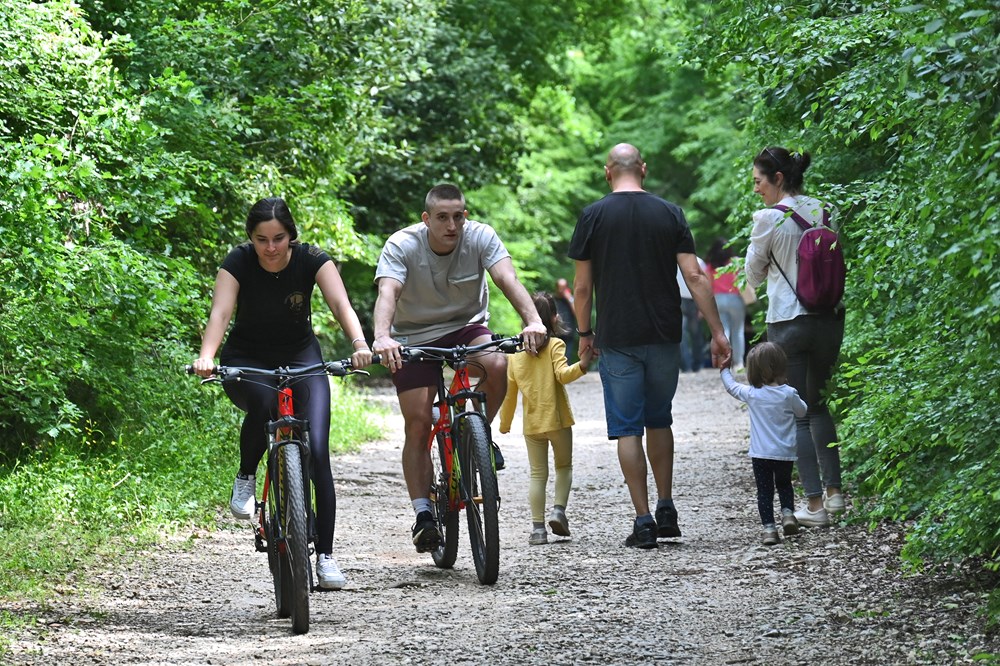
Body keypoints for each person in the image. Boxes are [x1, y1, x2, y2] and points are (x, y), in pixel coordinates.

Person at [191, 197, 373, 590]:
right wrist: (207, 356)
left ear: (291, 236)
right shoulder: (238, 261)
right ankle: (246, 475)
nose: (270, 248)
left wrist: (359, 343)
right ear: (250, 238)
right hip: (247, 358)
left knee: (319, 451)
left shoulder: (312, 259)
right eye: (261, 240)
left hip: (301, 356)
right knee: (263, 404)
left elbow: (340, 303)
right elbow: (221, 312)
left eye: (278, 239)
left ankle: (325, 557)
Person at [568, 143, 731, 549]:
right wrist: (718, 332)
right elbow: (695, 277)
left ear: (608, 172)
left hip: (618, 336)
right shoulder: (670, 213)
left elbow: (582, 287)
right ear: (643, 168)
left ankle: (643, 522)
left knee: (628, 428)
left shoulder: (592, 216)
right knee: (660, 419)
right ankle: (666, 507)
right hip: (663, 333)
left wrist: (584, 333)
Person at [371, 183, 548, 553]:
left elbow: (507, 279)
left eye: (458, 216)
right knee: (418, 422)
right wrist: (382, 336)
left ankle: (476, 435)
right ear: (426, 219)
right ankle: (423, 514)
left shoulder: (480, 237)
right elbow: (389, 291)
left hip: (466, 327)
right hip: (412, 336)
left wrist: (533, 320)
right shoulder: (402, 245)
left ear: (465, 216)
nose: (451, 225)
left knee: (496, 363)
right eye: (442, 217)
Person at [745, 146, 846, 528]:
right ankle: (835, 495)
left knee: (798, 414)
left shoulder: (769, 218)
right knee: (819, 405)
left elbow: (753, 276)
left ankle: (814, 506)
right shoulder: (826, 210)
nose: (756, 189)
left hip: (789, 320)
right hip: (829, 319)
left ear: (778, 178)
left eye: (759, 181)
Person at [498, 292, 594, 545]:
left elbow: (509, 394)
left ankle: (538, 529)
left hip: (532, 425)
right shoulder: (555, 345)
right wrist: (583, 365)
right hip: (557, 420)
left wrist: (505, 424)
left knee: (537, 475)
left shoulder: (515, 354)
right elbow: (563, 375)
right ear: (554, 318)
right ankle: (558, 511)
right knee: (564, 467)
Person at [721, 342, 807, 545]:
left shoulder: (752, 394)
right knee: (784, 485)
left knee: (764, 492)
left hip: (760, 454)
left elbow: (732, 387)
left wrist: (724, 369)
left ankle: (769, 529)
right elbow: (802, 411)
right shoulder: (788, 393)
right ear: (782, 366)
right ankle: (788, 515)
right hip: (785, 453)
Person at [706, 237, 747, 371]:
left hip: (718, 300)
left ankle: (725, 361)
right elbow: (743, 281)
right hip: (735, 299)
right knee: (738, 331)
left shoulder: (711, 265)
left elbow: (708, 286)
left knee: (724, 331)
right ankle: (739, 363)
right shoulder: (736, 262)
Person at [676, 257, 707, 372]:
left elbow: (704, 283)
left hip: (694, 300)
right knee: (682, 334)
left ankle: (697, 363)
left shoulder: (698, 261)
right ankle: (686, 365)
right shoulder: (675, 261)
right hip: (679, 299)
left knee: (695, 333)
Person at [553, 278, 577, 360]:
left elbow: (577, 314)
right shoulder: (553, 300)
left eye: (563, 288)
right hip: (555, 334)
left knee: (566, 358)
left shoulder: (571, 300)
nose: (561, 290)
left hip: (568, 334)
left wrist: (569, 299)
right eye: (560, 287)